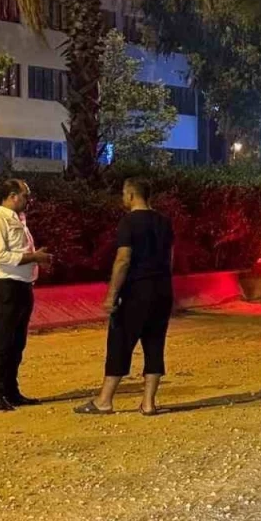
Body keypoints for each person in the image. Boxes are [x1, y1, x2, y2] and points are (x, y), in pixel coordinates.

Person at [75, 178, 174, 416]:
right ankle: (149, 403)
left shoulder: (128, 223)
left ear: (130, 195)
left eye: (123, 193)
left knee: (120, 343)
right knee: (154, 344)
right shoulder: (164, 222)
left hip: (135, 291)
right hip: (162, 290)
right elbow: (170, 258)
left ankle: (105, 400)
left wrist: (111, 295)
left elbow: (123, 260)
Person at [0, 179, 52, 411]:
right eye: (25, 195)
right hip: (4, 287)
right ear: (12, 196)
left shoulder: (18, 221)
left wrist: (36, 259)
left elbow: (20, 252)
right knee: (2, 340)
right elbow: (0, 255)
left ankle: (11, 390)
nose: (28, 200)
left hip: (22, 285)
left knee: (17, 342)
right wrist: (34, 257)